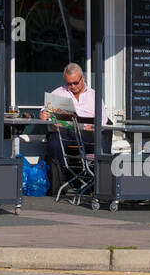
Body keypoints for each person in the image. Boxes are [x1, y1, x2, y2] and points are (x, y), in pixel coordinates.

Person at [40, 63, 105, 195]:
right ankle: (60, 185)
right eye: (69, 83)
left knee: (103, 144)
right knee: (54, 143)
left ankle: (102, 186)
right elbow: (45, 112)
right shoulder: (58, 93)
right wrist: (44, 115)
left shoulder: (94, 95)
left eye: (75, 83)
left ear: (83, 78)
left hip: (87, 134)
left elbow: (103, 119)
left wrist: (93, 127)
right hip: (65, 134)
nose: (72, 87)